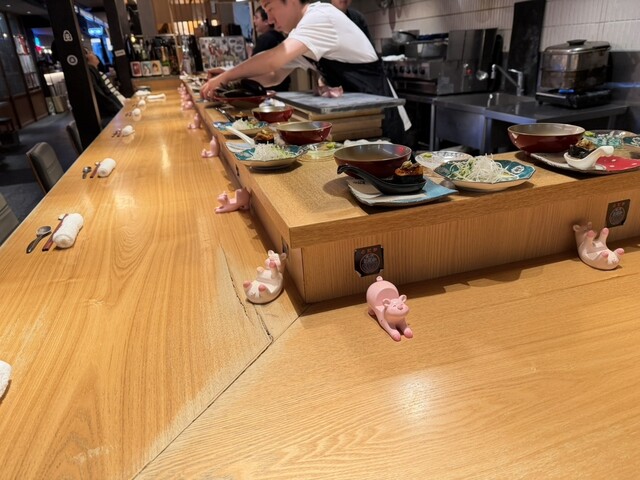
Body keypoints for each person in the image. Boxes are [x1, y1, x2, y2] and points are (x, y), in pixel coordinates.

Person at [201, 0, 410, 144]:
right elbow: (273, 75)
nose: (270, 19)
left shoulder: (320, 17)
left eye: (270, 8)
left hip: (383, 118)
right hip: (359, 120)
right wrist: (228, 75)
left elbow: (273, 60)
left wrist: (227, 75)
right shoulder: (303, 32)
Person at [252, 6, 290, 91]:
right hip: (283, 83)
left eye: (257, 18)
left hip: (269, 86)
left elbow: (254, 62)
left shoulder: (265, 39)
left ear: (266, 21)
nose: (254, 21)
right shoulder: (280, 36)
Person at [85, 49, 123, 126]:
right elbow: (103, 96)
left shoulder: (97, 73)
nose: (93, 53)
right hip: (108, 116)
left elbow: (110, 93)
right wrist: (119, 109)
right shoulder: (90, 73)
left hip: (113, 111)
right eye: (89, 52)